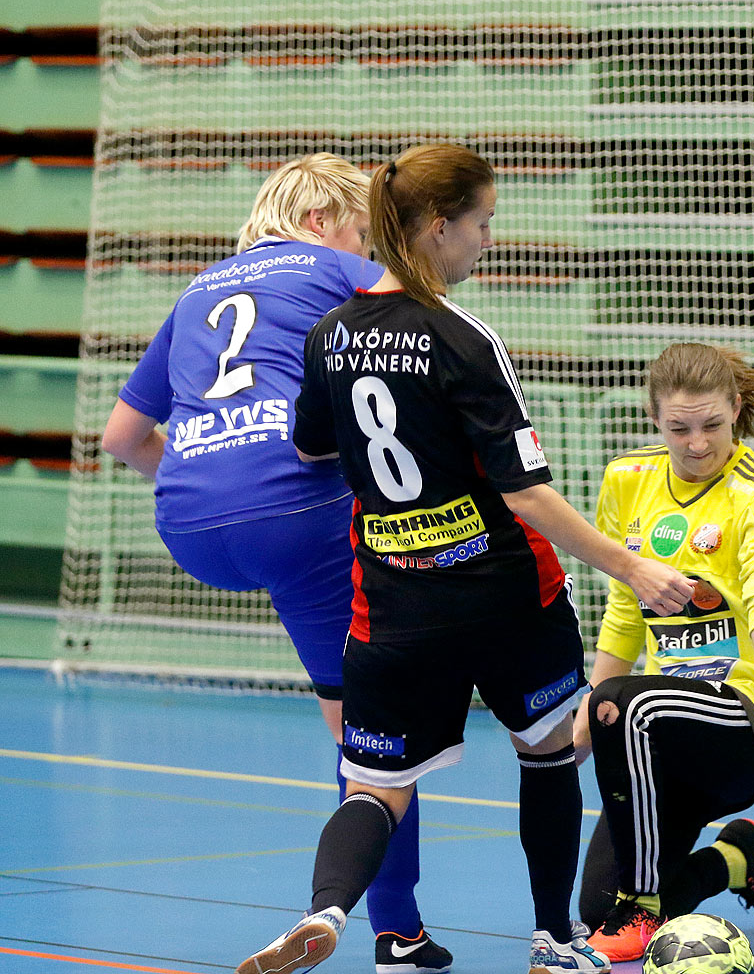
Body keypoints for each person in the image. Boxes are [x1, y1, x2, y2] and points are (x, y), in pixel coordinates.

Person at [235, 143, 694, 974]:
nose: (488, 240)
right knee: (549, 751)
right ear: (439, 227)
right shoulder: (463, 337)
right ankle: (555, 939)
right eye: (483, 224)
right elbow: (526, 494)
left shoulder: (328, 336)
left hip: (393, 609)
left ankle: (330, 915)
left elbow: (309, 449)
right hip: (505, 599)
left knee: (377, 787)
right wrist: (632, 569)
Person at [100, 154, 452, 974]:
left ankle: (381, 916)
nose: (369, 241)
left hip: (187, 519)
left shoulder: (196, 292)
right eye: (365, 227)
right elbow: (422, 346)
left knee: (352, 717)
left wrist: (213, 485)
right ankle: (395, 932)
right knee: (372, 742)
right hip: (302, 514)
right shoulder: (342, 268)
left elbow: (121, 438)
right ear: (328, 219)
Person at [572, 342, 754, 963]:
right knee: (591, 911)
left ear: (736, 409)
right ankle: (735, 859)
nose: (696, 443)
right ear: (654, 419)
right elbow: (622, 609)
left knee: (621, 706)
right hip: (662, 734)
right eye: (678, 428)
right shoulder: (627, 481)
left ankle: (641, 907)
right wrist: (588, 717)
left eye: (712, 425)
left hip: (742, 728)